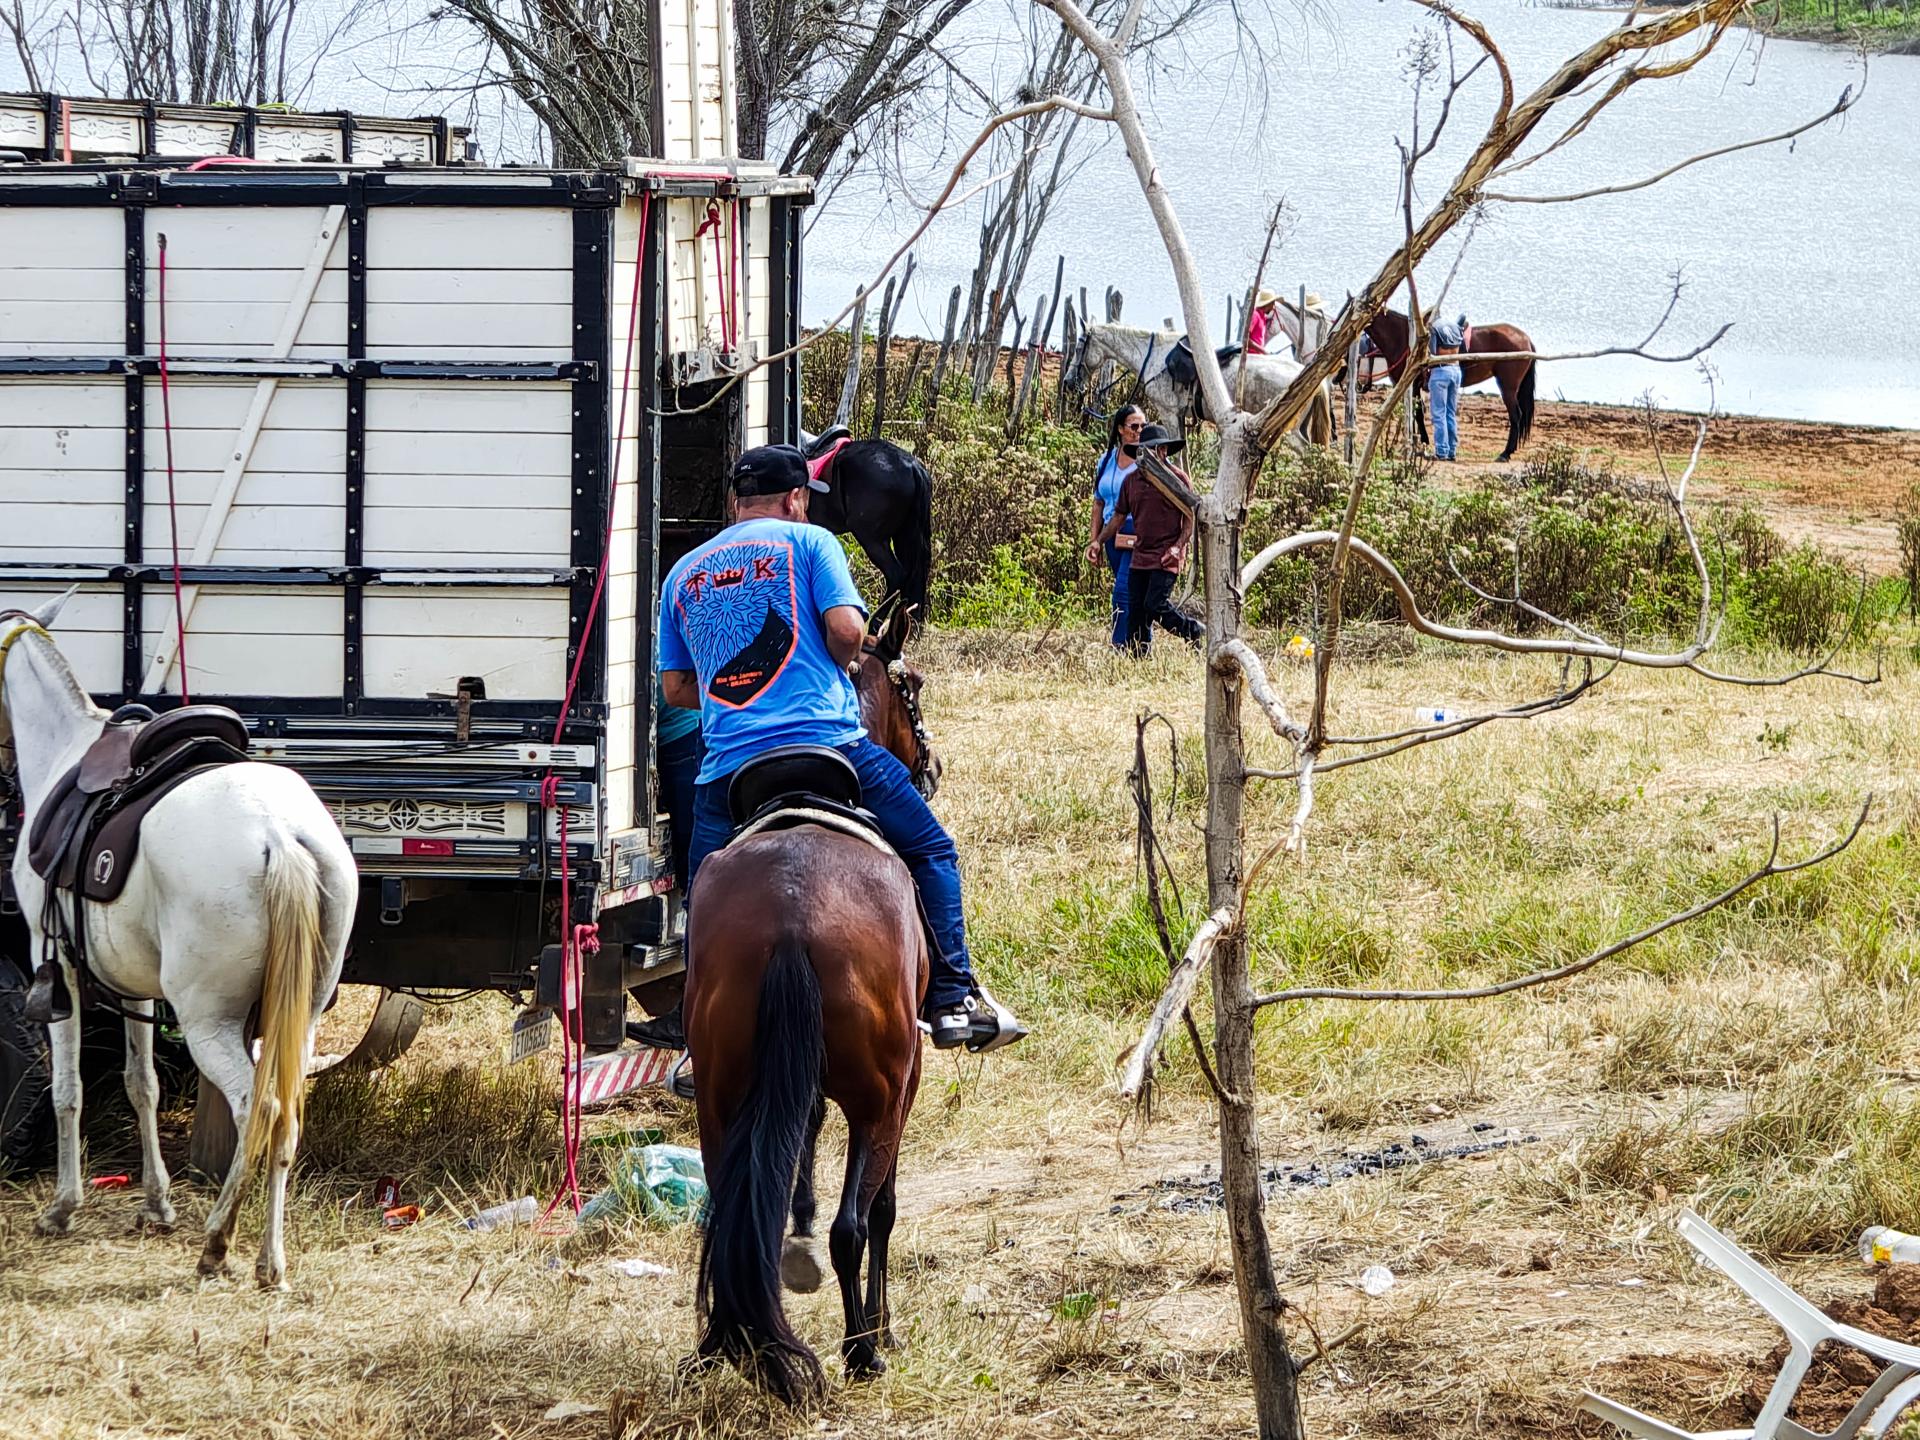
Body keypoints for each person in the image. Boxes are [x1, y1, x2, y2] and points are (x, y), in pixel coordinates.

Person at [633, 443, 1023, 1055]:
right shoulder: (813, 543)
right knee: (932, 849)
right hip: (830, 747)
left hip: (731, 769)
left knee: (704, 888)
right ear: (796, 499)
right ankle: (952, 995)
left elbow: (676, 688)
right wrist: (834, 662)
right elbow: (845, 629)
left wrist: (737, 692)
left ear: (736, 503)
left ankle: (691, 1024)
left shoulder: (683, 572)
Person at [1096, 424, 1205, 655]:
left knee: (1155, 605)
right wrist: (1098, 541)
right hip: (1141, 554)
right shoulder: (1132, 481)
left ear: (1163, 451)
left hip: (1167, 555)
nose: (1147, 455)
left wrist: (1178, 547)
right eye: (1142, 451)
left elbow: (1190, 517)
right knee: (1136, 611)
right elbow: (1118, 516)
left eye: (1153, 450)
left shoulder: (1178, 479)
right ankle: (1138, 655)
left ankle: (1192, 630)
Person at [1085, 405, 1144, 649]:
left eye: (1143, 426)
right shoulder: (1106, 460)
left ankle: (1120, 645)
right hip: (1111, 535)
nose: (1139, 431)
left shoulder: (1147, 460)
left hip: (1136, 532)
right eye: (1134, 426)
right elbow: (1098, 502)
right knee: (1133, 592)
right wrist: (1095, 540)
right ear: (1121, 429)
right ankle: (1139, 645)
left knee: (1122, 591)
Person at [1428, 313, 1465, 462]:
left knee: (1438, 413)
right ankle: (1452, 450)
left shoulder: (1434, 329)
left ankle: (1441, 450)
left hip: (1440, 371)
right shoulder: (1455, 328)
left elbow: (1432, 352)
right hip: (1456, 369)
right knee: (1450, 412)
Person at [1246, 289, 1281, 356]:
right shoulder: (1255, 315)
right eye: (1273, 304)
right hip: (1251, 356)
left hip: (1258, 355)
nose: (1273, 308)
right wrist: (1264, 351)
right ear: (1268, 304)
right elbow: (1246, 339)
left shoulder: (1263, 317)